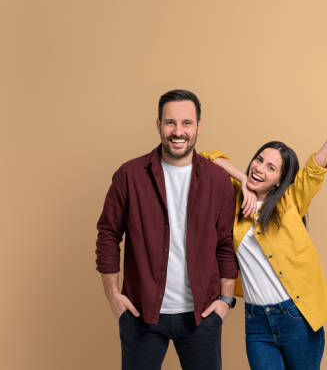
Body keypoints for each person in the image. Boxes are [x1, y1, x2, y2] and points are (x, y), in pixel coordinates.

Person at [201, 97, 327, 370]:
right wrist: (242, 181)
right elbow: (207, 156)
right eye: (259, 160)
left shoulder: (291, 201)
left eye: (271, 167)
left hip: (296, 318)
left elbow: (319, 162)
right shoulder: (233, 198)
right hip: (256, 321)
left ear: (280, 179)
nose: (260, 168)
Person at [95, 89, 238, 370]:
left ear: (198, 126)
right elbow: (108, 235)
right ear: (158, 125)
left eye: (186, 123)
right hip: (141, 314)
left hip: (202, 315)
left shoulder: (217, 180)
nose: (178, 131)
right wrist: (113, 296)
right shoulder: (130, 175)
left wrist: (225, 301)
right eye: (170, 122)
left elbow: (225, 244)